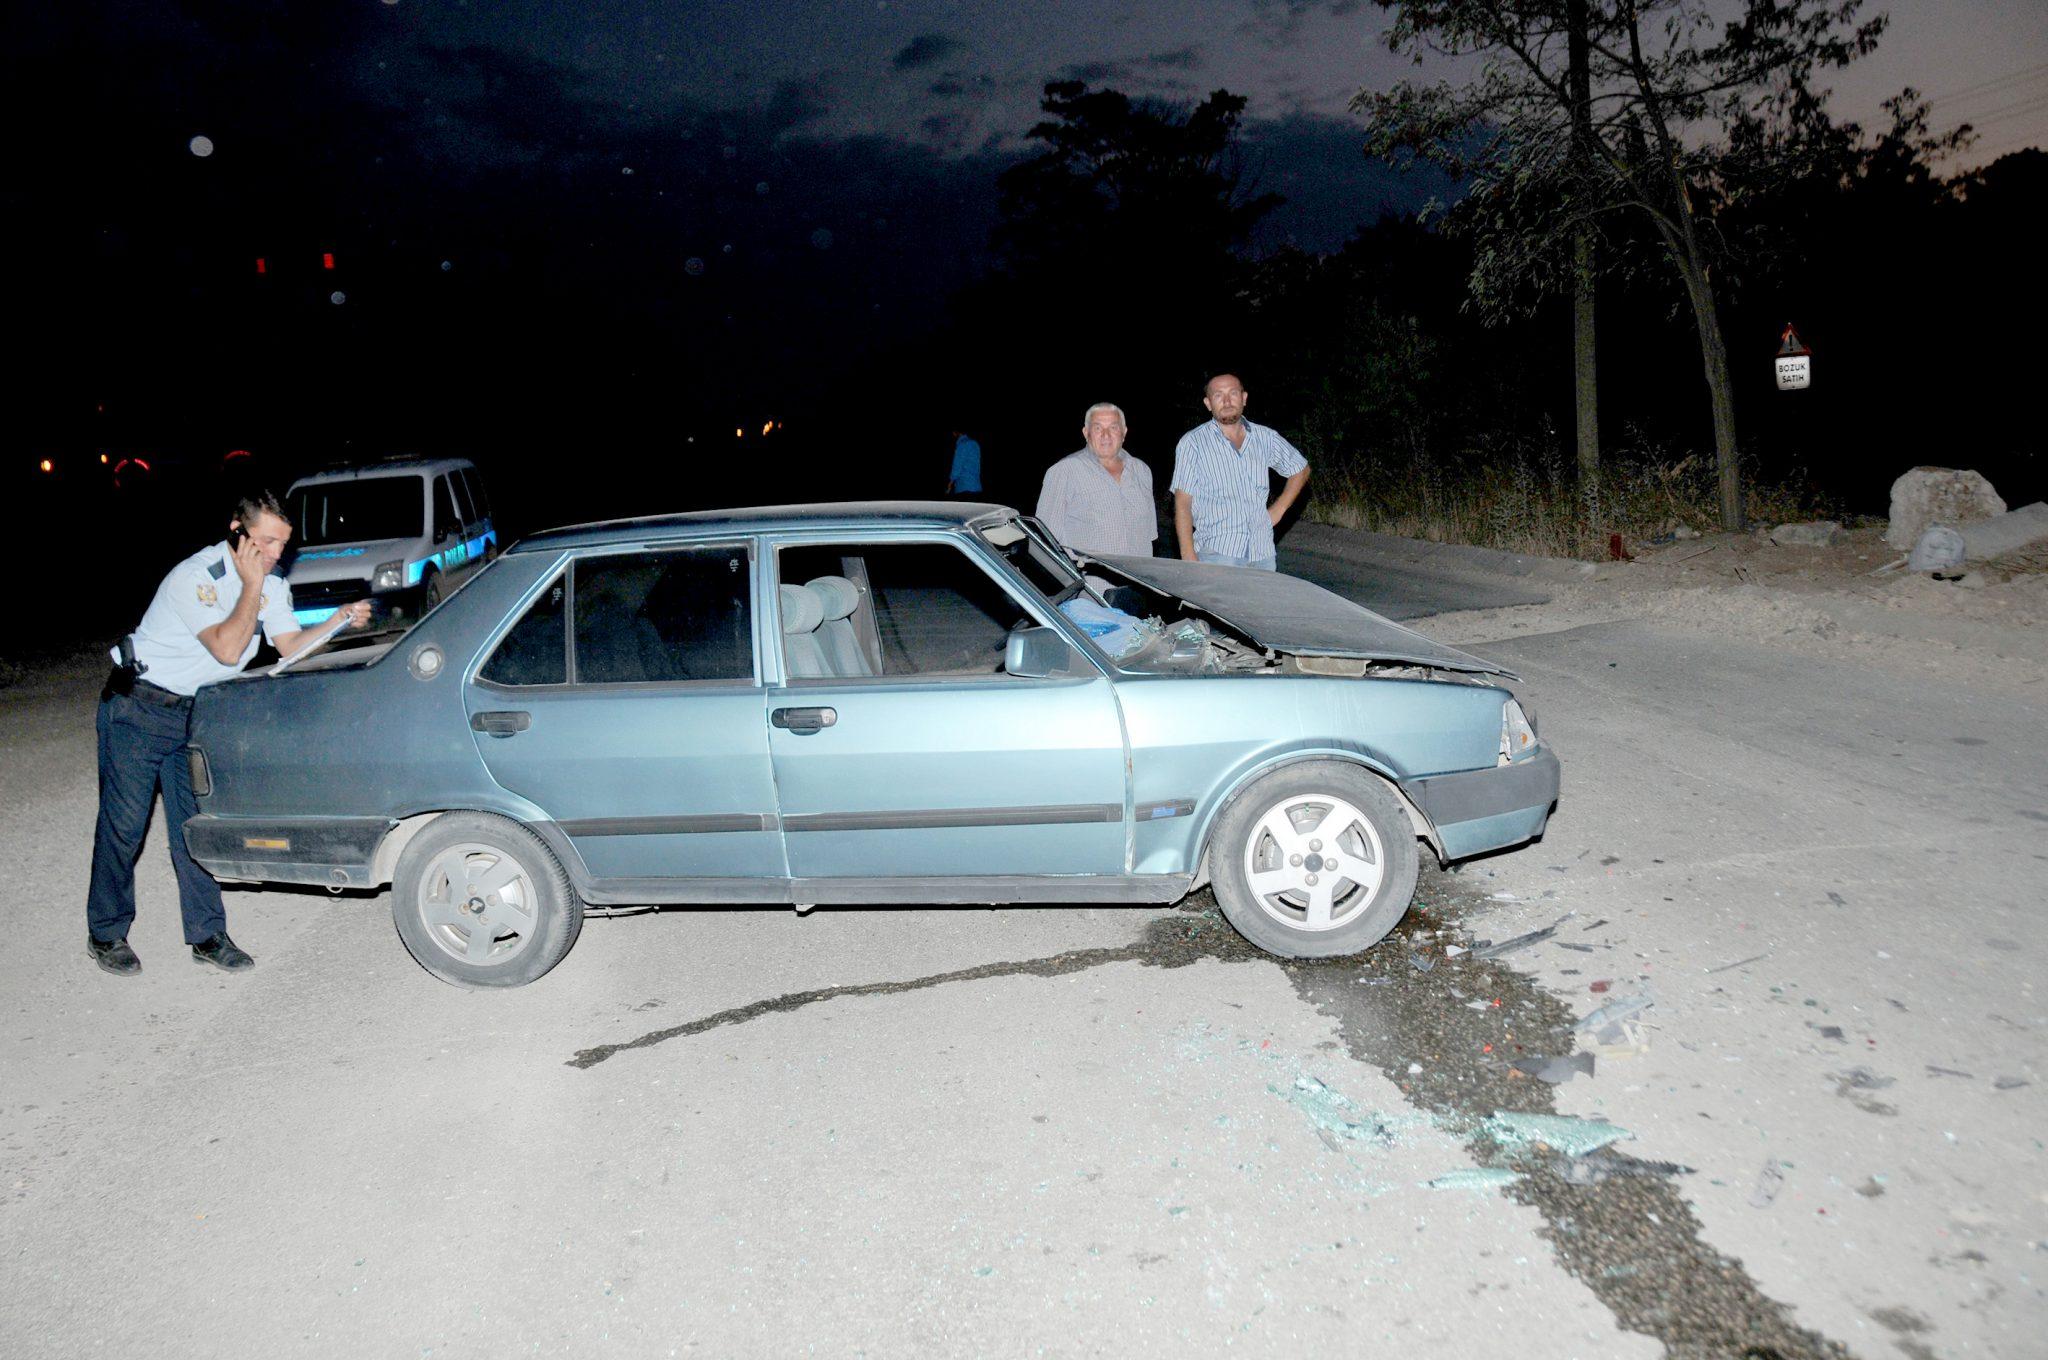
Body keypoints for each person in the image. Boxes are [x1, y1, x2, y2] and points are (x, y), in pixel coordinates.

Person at [86, 491, 371, 976]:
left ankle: (206, 934)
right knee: (124, 826)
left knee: (193, 827)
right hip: (138, 709)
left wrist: (335, 621)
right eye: (266, 541)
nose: (277, 553)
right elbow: (226, 648)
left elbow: (288, 648)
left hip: (196, 715)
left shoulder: (272, 584)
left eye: (283, 543)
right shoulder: (194, 578)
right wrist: (250, 586)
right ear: (237, 533)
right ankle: (106, 932)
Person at [1169, 372, 1309, 571]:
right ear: (1208, 403)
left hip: (1262, 554)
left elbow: (1300, 469)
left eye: (1233, 393)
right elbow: (1183, 503)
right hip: (1217, 554)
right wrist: (1188, 556)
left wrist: (1278, 510)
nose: (1226, 401)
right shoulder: (1193, 443)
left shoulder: (1265, 437)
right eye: (1218, 395)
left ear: (1244, 398)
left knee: (1260, 604)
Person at [1035, 402, 1157, 559]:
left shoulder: (1142, 471)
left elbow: (1149, 536)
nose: (1105, 435)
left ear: (1124, 432)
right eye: (1098, 428)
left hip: (1138, 581)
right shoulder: (1064, 471)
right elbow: (1043, 541)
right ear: (1086, 433)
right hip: (1090, 582)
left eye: (1113, 427)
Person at [945, 429, 983, 497]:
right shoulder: (975, 443)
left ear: (955, 433)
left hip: (964, 487)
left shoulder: (962, 445)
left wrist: (949, 484)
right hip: (976, 486)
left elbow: (957, 466)